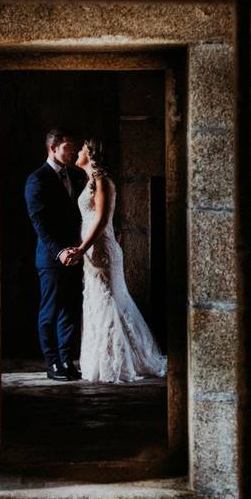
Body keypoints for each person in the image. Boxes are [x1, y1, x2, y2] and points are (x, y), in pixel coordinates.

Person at [70, 138, 167, 383]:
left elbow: (101, 221)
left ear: (90, 154)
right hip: (92, 252)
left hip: (102, 250)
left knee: (111, 300)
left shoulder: (103, 182)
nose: (77, 152)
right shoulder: (90, 182)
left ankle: (122, 361)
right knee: (97, 300)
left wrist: (81, 248)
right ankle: (102, 358)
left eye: (81, 149)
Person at [24, 128, 87, 382]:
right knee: (50, 310)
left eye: (73, 147)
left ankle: (66, 361)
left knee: (70, 311)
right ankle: (52, 364)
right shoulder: (37, 179)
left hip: (74, 253)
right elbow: (39, 223)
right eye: (67, 147)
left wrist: (78, 248)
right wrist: (59, 251)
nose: (72, 151)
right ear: (53, 148)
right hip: (51, 258)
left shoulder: (74, 175)